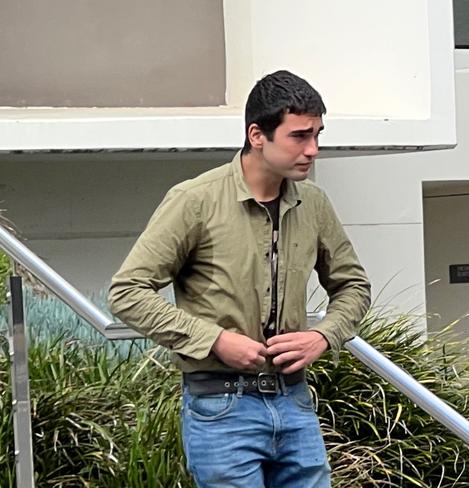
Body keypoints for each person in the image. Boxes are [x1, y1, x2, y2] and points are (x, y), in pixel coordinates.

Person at [108, 70, 371, 488]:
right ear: (257, 135)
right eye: (300, 136)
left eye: (317, 134)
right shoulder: (195, 200)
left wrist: (323, 337)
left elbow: (353, 286)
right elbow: (127, 292)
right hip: (219, 406)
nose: (313, 149)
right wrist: (214, 340)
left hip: (295, 401)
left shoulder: (315, 203)